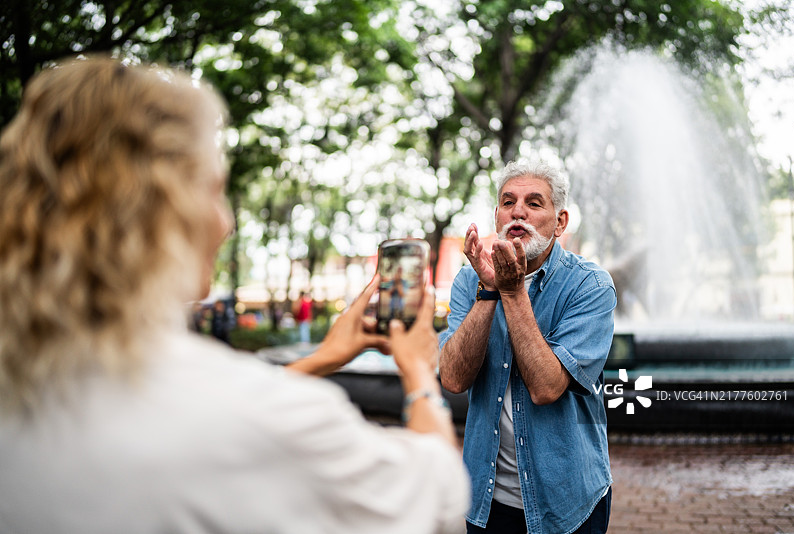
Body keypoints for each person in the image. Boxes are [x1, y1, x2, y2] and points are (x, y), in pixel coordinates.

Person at [0, 56, 468, 533]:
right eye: (216, 190)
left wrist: (324, 357)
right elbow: (438, 496)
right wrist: (416, 372)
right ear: (166, 208)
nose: (227, 223)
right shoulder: (260, 417)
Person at [439, 161, 617, 534]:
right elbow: (453, 379)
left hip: (568, 504)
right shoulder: (471, 281)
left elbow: (546, 388)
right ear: (497, 215)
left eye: (534, 203)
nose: (518, 211)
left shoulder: (590, 288)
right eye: (508, 202)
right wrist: (488, 292)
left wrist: (511, 290)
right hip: (487, 502)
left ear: (560, 222)